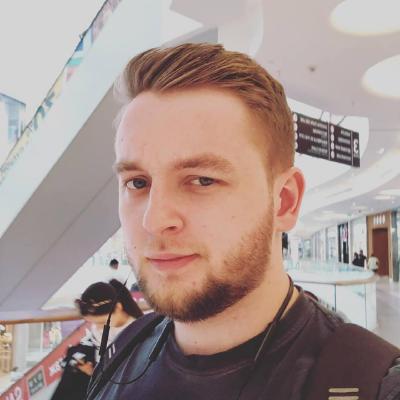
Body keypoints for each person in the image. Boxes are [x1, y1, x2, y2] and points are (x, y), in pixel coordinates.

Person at [88, 43, 400, 399]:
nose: (154, 220)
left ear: (284, 201)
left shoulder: (371, 384)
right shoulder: (123, 351)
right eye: (137, 183)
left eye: (202, 180)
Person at [50, 279, 143, 400]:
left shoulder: (140, 335)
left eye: (102, 322)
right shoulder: (98, 335)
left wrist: (95, 374)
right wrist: (92, 371)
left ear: (118, 307)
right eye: (93, 323)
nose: (98, 328)